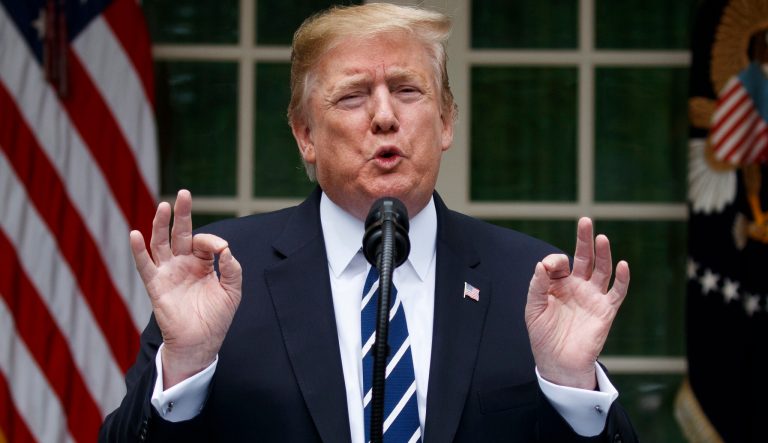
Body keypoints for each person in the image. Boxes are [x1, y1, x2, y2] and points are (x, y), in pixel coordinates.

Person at [99, 3, 637, 442]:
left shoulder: (529, 278)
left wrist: (571, 387)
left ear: (446, 120)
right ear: (305, 134)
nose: (384, 116)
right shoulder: (221, 273)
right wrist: (187, 366)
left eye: (407, 90)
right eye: (353, 96)